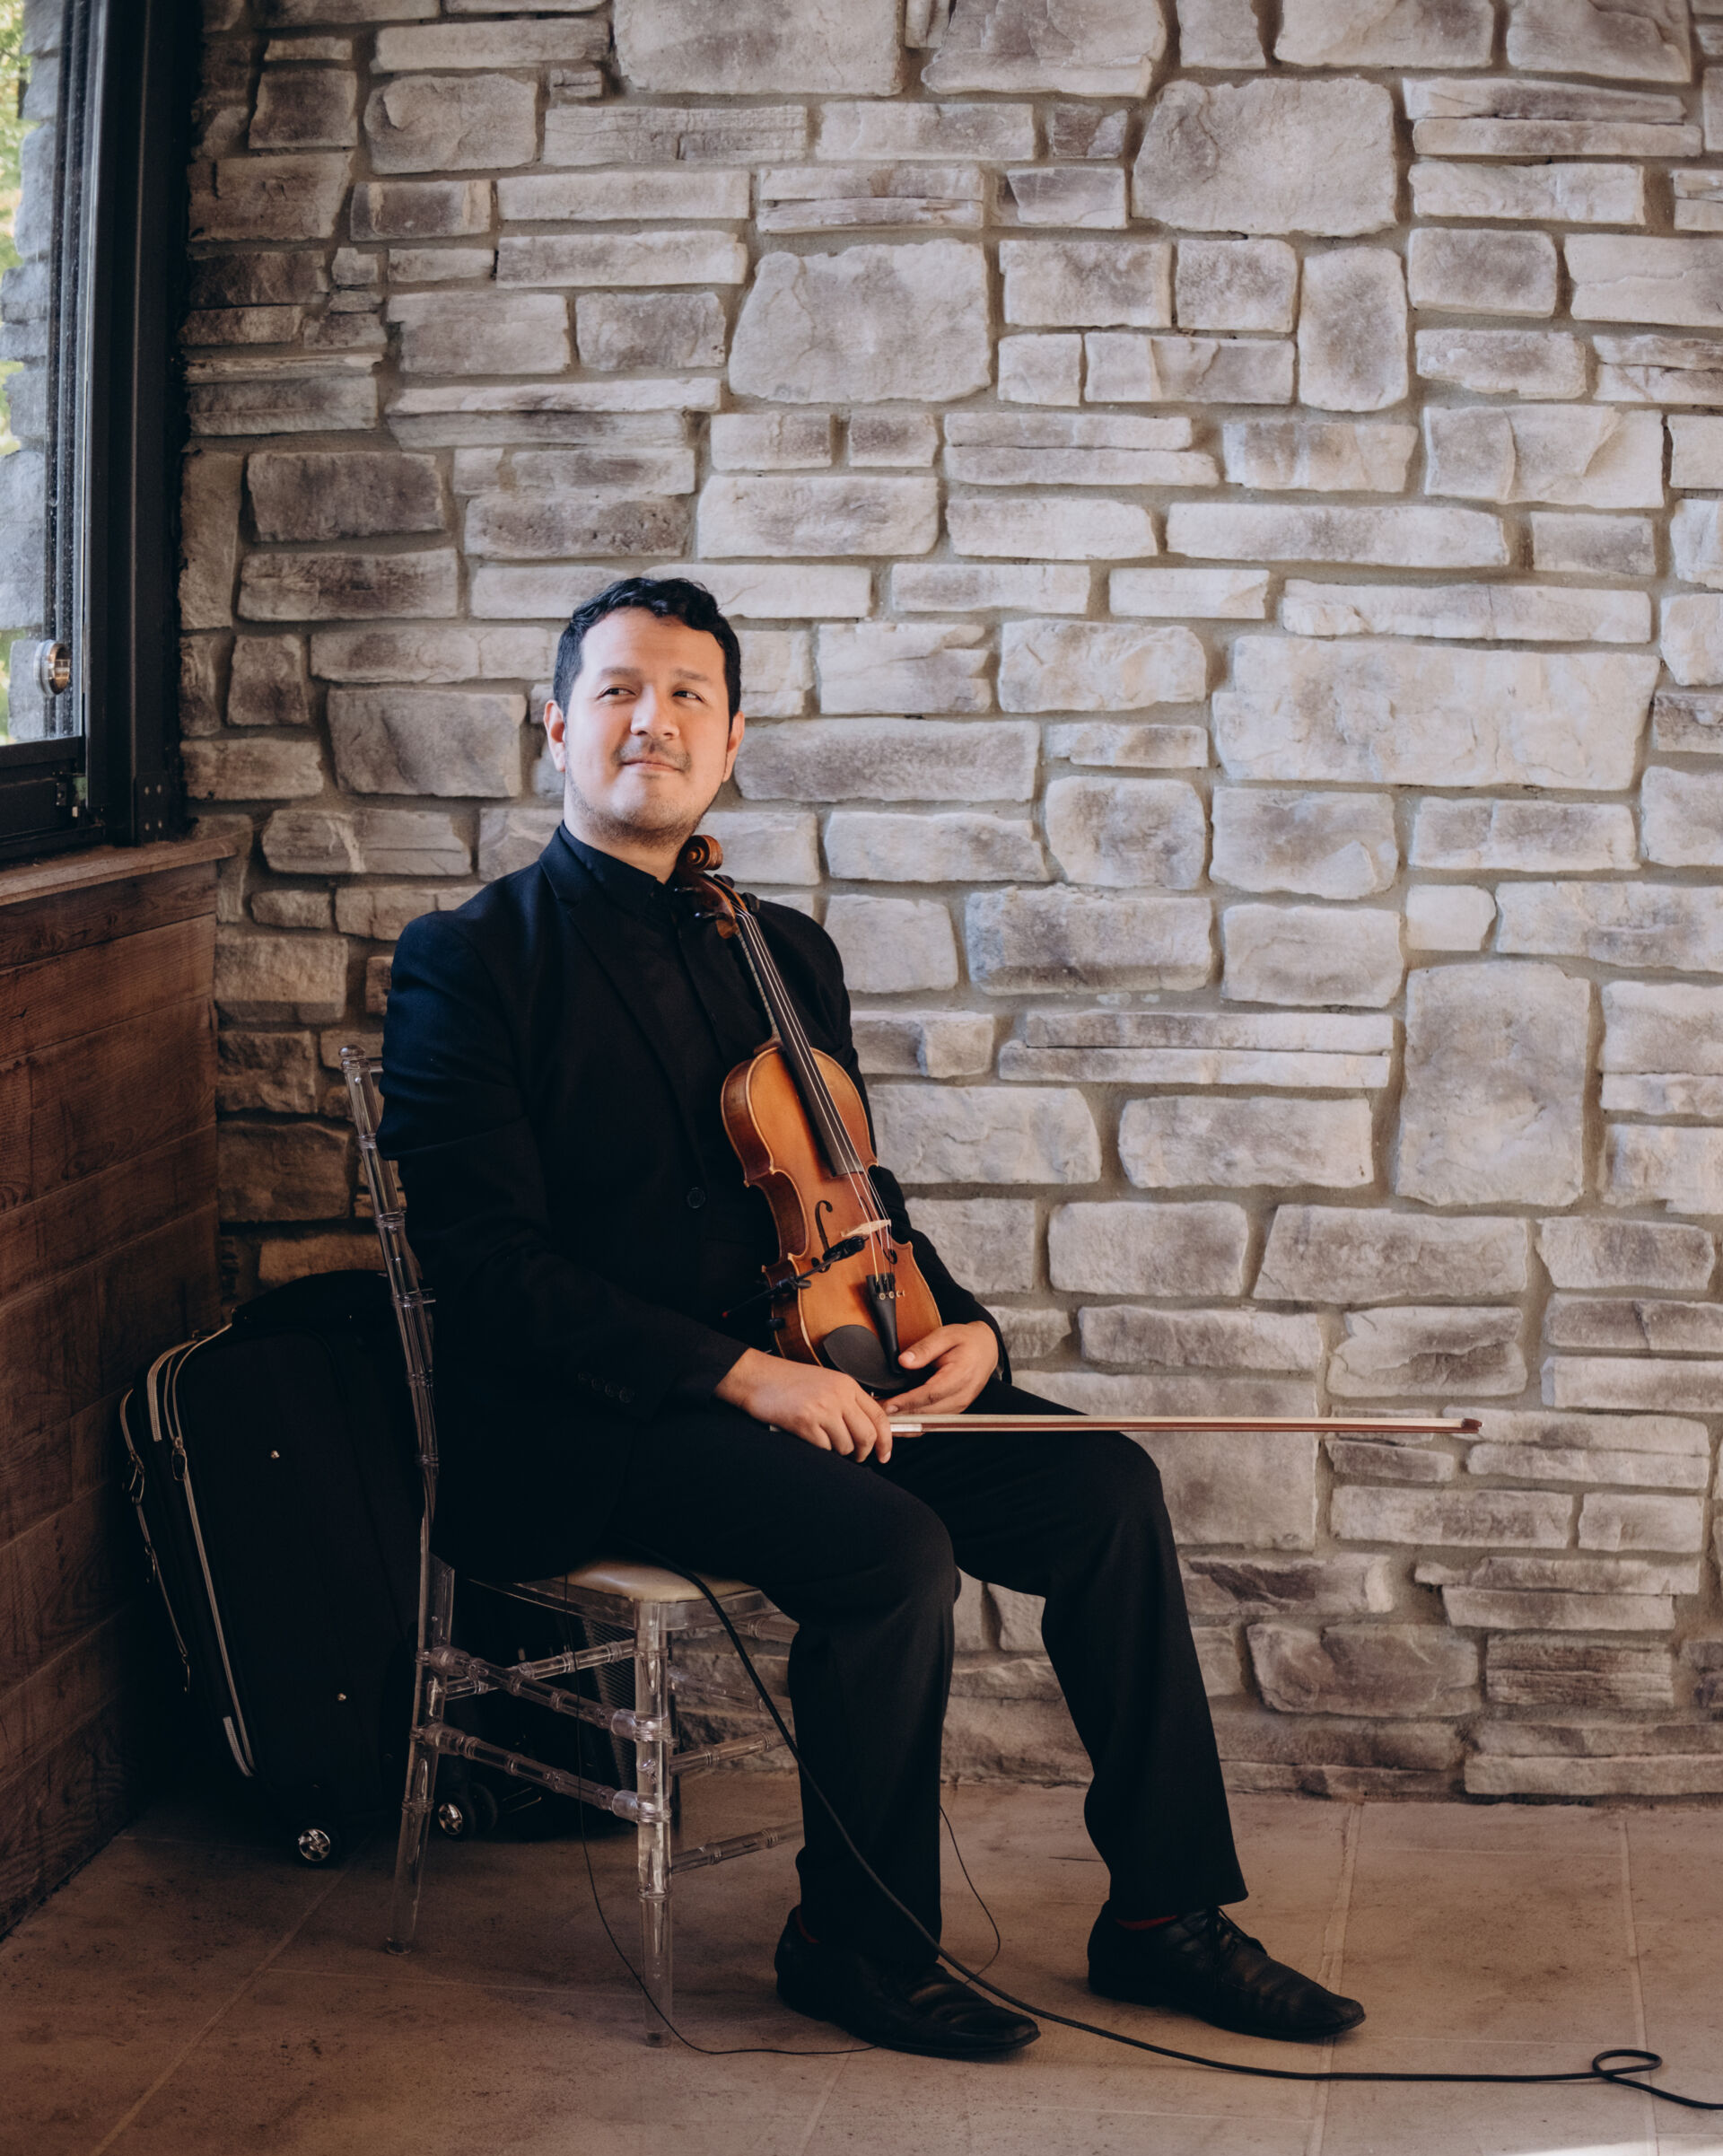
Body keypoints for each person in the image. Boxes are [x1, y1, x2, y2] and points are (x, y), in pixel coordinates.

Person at [380, 574, 1364, 2064]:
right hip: (600, 1417)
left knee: (1103, 1487)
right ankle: (856, 1940)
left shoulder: (781, 951)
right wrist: (744, 1378)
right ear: (558, 726)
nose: (653, 720)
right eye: (618, 690)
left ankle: (1164, 1911)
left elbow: (852, 1195)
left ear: (733, 741)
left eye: (690, 696)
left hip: (819, 1369)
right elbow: (490, 1269)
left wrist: (968, 1331)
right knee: (889, 1548)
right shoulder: (472, 960)